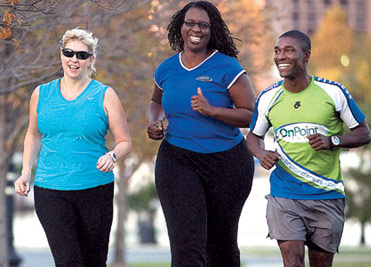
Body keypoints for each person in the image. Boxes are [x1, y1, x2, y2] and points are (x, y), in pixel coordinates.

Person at [246, 30, 371, 267]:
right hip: (285, 194)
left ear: (306, 56)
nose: (281, 56)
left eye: (289, 50)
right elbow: (252, 138)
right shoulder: (268, 98)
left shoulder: (333, 93)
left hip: (326, 194)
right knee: (292, 262)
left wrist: (333, 141)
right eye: (277, 51)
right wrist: (262, 154)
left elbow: (364, 133)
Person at [146, 1, 256, 266]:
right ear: (180, 27)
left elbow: (251, 114)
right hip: (178, 161)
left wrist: (212, 110)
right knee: (186, 246)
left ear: (212, 29)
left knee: (221, 247)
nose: (196, 29)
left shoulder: (227, 67)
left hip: (227, 164)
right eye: (190, 23)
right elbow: (156, 102)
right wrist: (155, 122)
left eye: (203, 25)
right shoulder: (167, 68)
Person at [14, 28, 132, 267]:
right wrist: (26, 171)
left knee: (94, 261)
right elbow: (33, 133)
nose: (74, 60)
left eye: (81, 55)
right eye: (69, 53)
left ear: (91, 59)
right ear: (61, 54)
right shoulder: (41, 94)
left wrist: (113, 155)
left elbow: (125, 142)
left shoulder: (105, 94)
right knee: (68, 261)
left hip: (95, 189)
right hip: (51, 189)